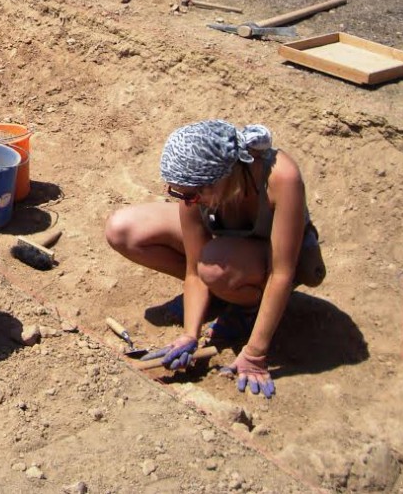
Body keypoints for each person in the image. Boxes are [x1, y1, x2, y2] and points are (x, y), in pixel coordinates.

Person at [104, 120, 325, 398]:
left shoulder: (281, 178)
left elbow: (281, 273)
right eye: (178, 193)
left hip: (273, 257)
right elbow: (194, 270)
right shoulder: (196, 193)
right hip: (225, 253)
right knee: (123, 230)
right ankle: (222, 295)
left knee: (213, 264)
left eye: (190, 194)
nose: (185, 200)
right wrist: (189, 335)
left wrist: (255, 354)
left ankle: (248, 307)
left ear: (221, 177)